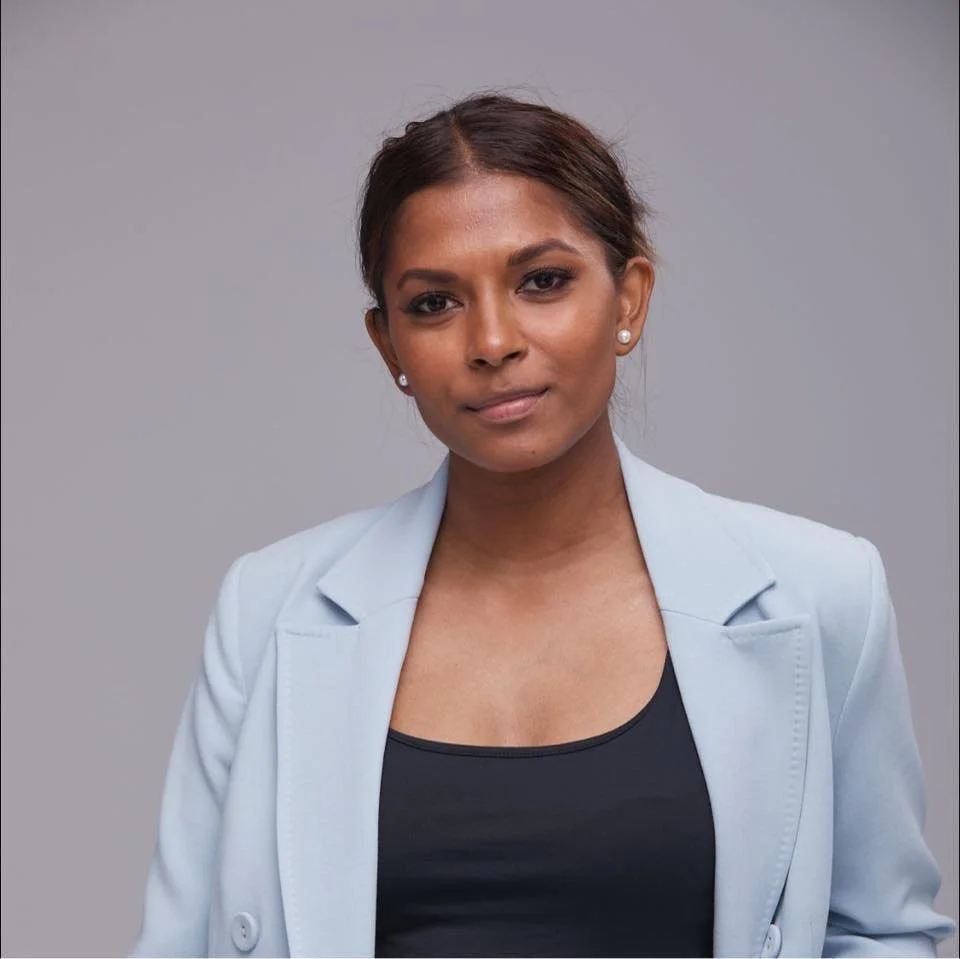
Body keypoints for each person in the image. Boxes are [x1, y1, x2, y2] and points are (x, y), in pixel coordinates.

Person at [130, 92, 955, 958]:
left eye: (542, 281)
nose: (493, 340)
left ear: (629, 298)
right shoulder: (267, 608)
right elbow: (179, 943)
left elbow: (878, 930)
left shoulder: (821, 592)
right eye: (434, 302)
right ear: (388, 345)